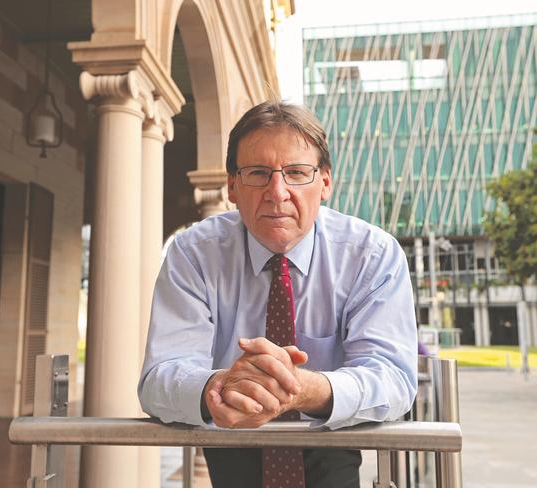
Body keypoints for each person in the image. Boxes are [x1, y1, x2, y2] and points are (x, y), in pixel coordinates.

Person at [138, 101, 418, 487]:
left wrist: (301, 389)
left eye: (297, 173)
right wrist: (224, 387)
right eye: (257, 173)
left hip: (332, 438)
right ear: (232, 186)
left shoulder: (372, 255)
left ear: (325, 183)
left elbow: (394, 379)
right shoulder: (193, 253)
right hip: (230, 440)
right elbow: (158, 380)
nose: (278, 192)